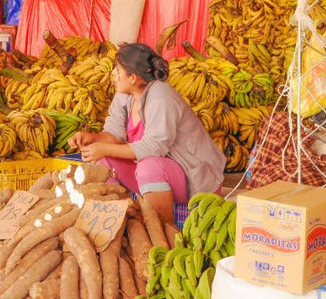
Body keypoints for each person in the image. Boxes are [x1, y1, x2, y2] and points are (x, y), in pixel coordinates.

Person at [69, 43, 226, 222]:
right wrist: (93, 139)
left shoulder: (161, 96)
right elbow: (114, 134)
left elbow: (155, 147)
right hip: (161, 175)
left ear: (133, 78)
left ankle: (162, 232)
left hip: (194, 181)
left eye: (118, 70)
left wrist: (104, 148)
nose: (113, 74)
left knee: (149, 167)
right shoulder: (125, 95)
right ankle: (120, 217)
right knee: (101, 161)